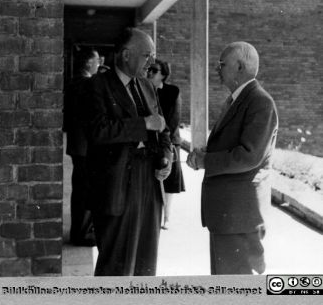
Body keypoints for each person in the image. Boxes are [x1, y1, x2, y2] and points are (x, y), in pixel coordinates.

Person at [85, 27, 173, 276]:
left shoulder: (146, 86)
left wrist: (166, 157)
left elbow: (163, 128)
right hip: (118, 185)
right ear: (126, 55)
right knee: (115, 265)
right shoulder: (97, 86)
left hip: (149, 184)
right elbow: (97, 131)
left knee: (146, 262)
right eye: (147, 55)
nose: (152, 62)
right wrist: (142, 124)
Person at [187, 41, 278, 275]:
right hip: (228, 216)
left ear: (239, 67)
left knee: (238, 288)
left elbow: (248, 156)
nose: (217, 69)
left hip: (239, 217)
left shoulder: (260, 102)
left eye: (222, 64)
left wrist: (206, 161)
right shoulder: (237, 99)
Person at [64, 47, 100, 246]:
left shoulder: (74, 82)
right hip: (85, 146)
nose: (99, 63)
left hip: (78, 144)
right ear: (88, 63)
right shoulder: (85, 84)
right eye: (96, 60)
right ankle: (82, 233)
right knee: (85, 190)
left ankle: (80, 230)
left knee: (81, 189)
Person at [147, 59, 185, 230]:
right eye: (149, 69)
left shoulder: (172, 91)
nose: (149, 73)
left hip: (168, 140)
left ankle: (167, 216)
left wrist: (165, 141)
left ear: (163, 75)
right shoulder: (144, 90)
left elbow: (173, 120)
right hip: (150, 141)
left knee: (169, 180)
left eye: (154, 71)